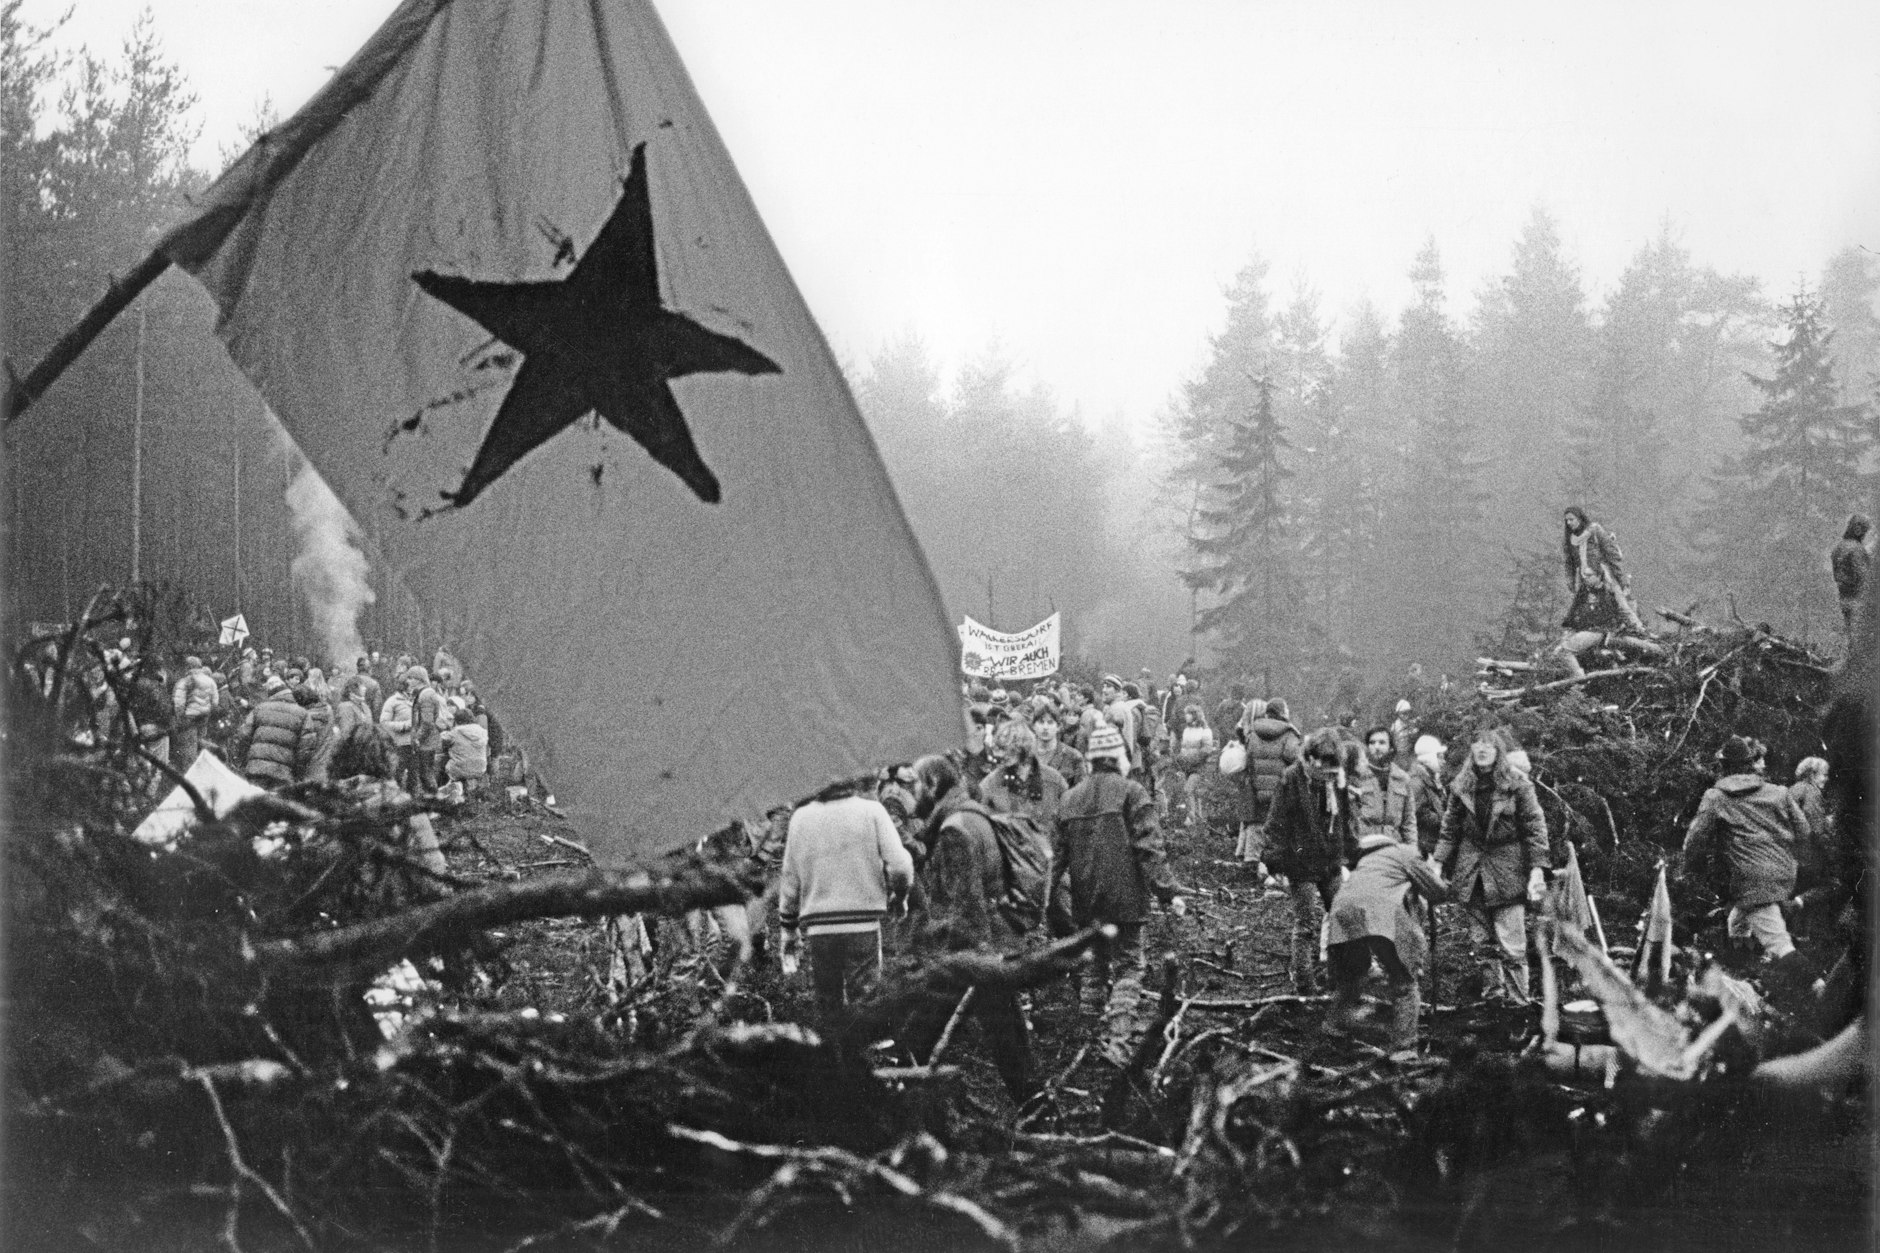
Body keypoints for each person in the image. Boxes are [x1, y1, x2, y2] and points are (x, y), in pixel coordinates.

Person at [902, 754, 1037, 1105]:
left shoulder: (954, 831)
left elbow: (967, 904)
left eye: (913, 784)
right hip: (986, 947)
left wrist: (966, 961)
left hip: (973, 952)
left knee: (918, 1040)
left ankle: (911, 1111)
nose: (908, 793)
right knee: (1010, 1043)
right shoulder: (972, 815)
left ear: (932, 784)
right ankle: (1036, 1107)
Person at [1053, 725, 1184, 1064]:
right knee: (1129, 965)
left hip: (1086, 900)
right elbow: (1149, 849)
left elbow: (1056, 859)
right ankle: (1119, 1040)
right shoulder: (1132, 792)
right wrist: (1168, 891)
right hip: (1126, 900)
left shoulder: (1070, 797)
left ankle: (1087, 1038)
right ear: (1119, 757)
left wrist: (1042, 899)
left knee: (1095, 964)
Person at [777, 777, 914, 1017]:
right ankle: (864, 1050)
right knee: (866, 998)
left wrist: (788, 928)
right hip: (863, 923)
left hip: (819, 927)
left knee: (828, 1001)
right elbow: (901, 866)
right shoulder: (872, 811)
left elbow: (790, 877)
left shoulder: (800, 817)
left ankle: (834, 1050)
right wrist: (900, 895)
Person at [1433, 730, 1550, 1006]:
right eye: (1477, 743)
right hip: (1472, 871)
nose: (1482, 749)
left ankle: (1518, 1005)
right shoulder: (1461, 785)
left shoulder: (1517, 784)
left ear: (1498, 750)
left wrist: (1536, 869)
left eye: (1488, 744)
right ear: (1471, 749)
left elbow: (1535, 829)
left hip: (1508, 870)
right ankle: (1493, 1000)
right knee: (1481, 943)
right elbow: (1449, 829)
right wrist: (1437, 864)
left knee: (1512, 945)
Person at [1325, 833, 1451, 1056]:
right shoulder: (1406, 853)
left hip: (1341, 912)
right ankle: (1404, 1049)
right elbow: (1437, 891)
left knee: (1353, 976)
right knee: (1405, 983)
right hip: (1381, 913)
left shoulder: (1364, 863)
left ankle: (1334, 1028)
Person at [1681, 736, 1805, 962]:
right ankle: (1746, 970)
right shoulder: (1779, 792)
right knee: (1737, 922)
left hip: (1751, 879)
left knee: (1778, 942)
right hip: (1784, 872)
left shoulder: (1716, 797)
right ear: (1750, 763)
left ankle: (1817, 989)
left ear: (1724, 766)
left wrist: (1687, 869)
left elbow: (1695, 842)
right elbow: (1804, 832)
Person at [1263, 728, 1364, 995]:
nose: (1327, 772)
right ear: (1310, 758)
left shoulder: (1335, 781)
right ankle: (1305, 986)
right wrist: (1274, 861)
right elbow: (1275, 823)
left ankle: (1340, 978)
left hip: (1329, 861)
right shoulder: (1292, 779)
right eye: (1322, 765)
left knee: (1343, 916)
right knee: (1305, 925)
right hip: (1301, 864)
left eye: (1333, 767)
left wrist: (1353, 854)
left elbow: (1344, 820)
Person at [1561, 505, 1647, 634]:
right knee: (1579, 608)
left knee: (1621, 604)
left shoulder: (1594, 530)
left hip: (1604, 575)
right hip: (1584, 578)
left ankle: (1640, 630)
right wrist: (1571, 581)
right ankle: (1576, 635)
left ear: (1579, 518)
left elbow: (1612, 554)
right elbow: (1570, 562)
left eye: (1571, 519)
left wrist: (1620, 578)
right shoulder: (1570, 538)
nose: (1569, 523)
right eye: (1567, 520)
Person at [1239, 697, 1302, 870]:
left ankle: (1252, 859)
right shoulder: (1289, 734)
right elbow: (1295, 759)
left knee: (1257, 822)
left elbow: (1249, 758)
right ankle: (1273, 864)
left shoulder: (1254, 732)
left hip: (1258, 787)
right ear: (1283, 712)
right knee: (1279, 824)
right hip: (1280, 788)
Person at [979, 718, 1069, 828]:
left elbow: (1069, 818)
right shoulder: (992, 782)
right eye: (1000, 748)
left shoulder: (1054, 780)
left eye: (1007, 749)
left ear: (1023, 747)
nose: (1001, 755)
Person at [230, 677, 311, 787]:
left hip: (256, 768)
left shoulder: (259, 708)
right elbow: (305, 747)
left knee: (256, 801)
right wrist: (297, 773)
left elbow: (243, 735)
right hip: (284, 773)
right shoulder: (303, 714)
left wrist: (245, 761)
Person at [1354, 725, 1417, 848]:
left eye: (1382, 743)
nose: (1376, 747)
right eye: (1372, 743)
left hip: (1393, 847)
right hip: (1365, 847)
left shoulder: (1402, 778)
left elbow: (1409, 821)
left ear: (1391, 748)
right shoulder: (1357, 776)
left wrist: (1412, 851)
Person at [1172, 703, 1217, 831]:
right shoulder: (1186, 729)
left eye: (1188, 714)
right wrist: (1180, 758)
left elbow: (1207, 749)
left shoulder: (1205, 731)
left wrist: (1193, 760)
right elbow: (1183, 747)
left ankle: (1192, 819)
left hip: (1198, 767)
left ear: (1195, 715)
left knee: (1188, 790)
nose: (1186, 716)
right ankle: (1197, 817)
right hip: (1186, 766)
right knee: (1192, 793)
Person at [169, 655, 219, 769]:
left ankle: (190, 771)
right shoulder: (210, 681)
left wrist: (180, 717)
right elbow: (215, 701)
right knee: (200, 741)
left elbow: (179, 703)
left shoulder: (186, 681)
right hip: (204, 717)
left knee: (188, 747)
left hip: (189, 718)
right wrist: (208, 711)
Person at [1831, 513, 1871, 640]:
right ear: (1858, 530)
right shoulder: (1856, 549)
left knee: (1851, 636)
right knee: (1861, 638)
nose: (1864, 534)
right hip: (1858, 600)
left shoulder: (1839, 547)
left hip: (1844, 598)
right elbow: (1865, 578)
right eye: (1864, 530)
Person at [1029, 701, 1088, 788]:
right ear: (1034, 726)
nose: (1045, 727)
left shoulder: (1073, 757)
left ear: (1058, 727)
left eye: (1050, 722)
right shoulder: (1023, 754)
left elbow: (1080, 795)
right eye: (1041, 722)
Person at [442, 698, 490, 801]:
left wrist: (444, 733)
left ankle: (452, 789)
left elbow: (442, 742)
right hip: (480, 768)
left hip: (460, 769)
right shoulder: (482, 731)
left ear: (458, 720)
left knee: (441, 761)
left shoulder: (456, 732)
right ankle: (468, 793)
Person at [1409, 735, 1448, 857]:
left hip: (1431, 844)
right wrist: (1445, 819)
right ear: (1430, 758)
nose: (1444, 761)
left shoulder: (1431, 780)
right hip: (1424, 847)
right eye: (1440, 757)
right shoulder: (1417, 782)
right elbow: (1418, 813)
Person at [411, 667, 448, 794]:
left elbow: (427, 722)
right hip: (427, 741)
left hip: (426, 743)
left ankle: (436, 802)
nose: (408, 681)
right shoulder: (424, 693)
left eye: (411, 678)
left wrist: (417, 738)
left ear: (419, 679)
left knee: (426, 774)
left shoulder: (426, 695)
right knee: (425, 774)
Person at [379, 673, 417, 794]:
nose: (413, 688)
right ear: (404, 687)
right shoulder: (392, 701)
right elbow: (384, 723)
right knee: (397, 775)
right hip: (399, 745)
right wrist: (405, 725)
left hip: (414, 744)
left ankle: (412, 802)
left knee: (414, 777)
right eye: (410, 686)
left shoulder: (414, 700)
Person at [351, 657, 384, 724]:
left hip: (352, 719)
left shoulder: (350, 681)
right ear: (369, 669)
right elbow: (377, 707)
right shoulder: (374, 684)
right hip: (368, 721)